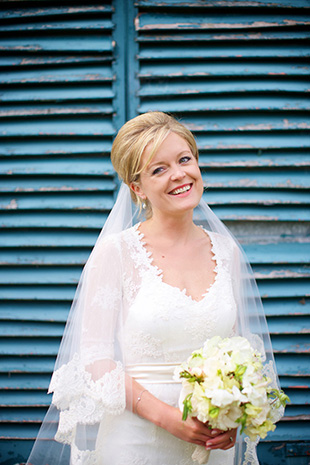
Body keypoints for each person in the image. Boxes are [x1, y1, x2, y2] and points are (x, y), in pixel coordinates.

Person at [27, 112, 282, 465]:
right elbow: (96, 359)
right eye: (158, 169)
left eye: (184, 159)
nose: (179, 174)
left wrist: (234, 414)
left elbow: (239, 347)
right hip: (137, 440)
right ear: (137, 188)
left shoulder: (227, 252)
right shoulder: (115, 253)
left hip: (211, 443)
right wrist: (169, 418)